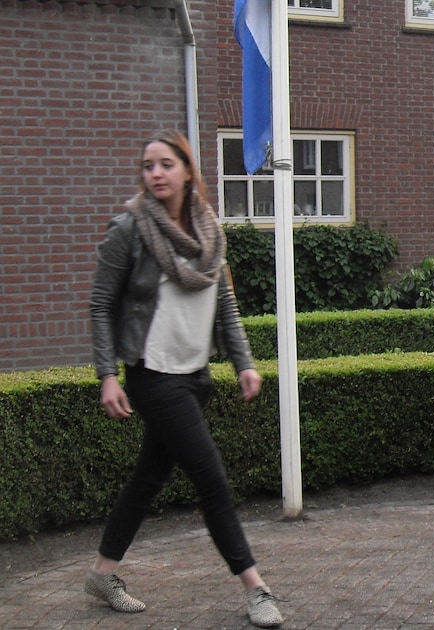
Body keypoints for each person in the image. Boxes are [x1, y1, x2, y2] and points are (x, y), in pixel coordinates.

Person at [86, 130, 282, 628]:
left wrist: (243, 362)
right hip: (153, 376)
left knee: (148, 478)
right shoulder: (129, 229)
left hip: (196, 377)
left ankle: (102, 573)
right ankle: (256, 588)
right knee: (212, 481)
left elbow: (225, 306)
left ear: (187, 171)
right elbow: (101, 304)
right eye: (148, 165)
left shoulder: (208, 231)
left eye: (165, 164)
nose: (155, 173)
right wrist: (108, 376)